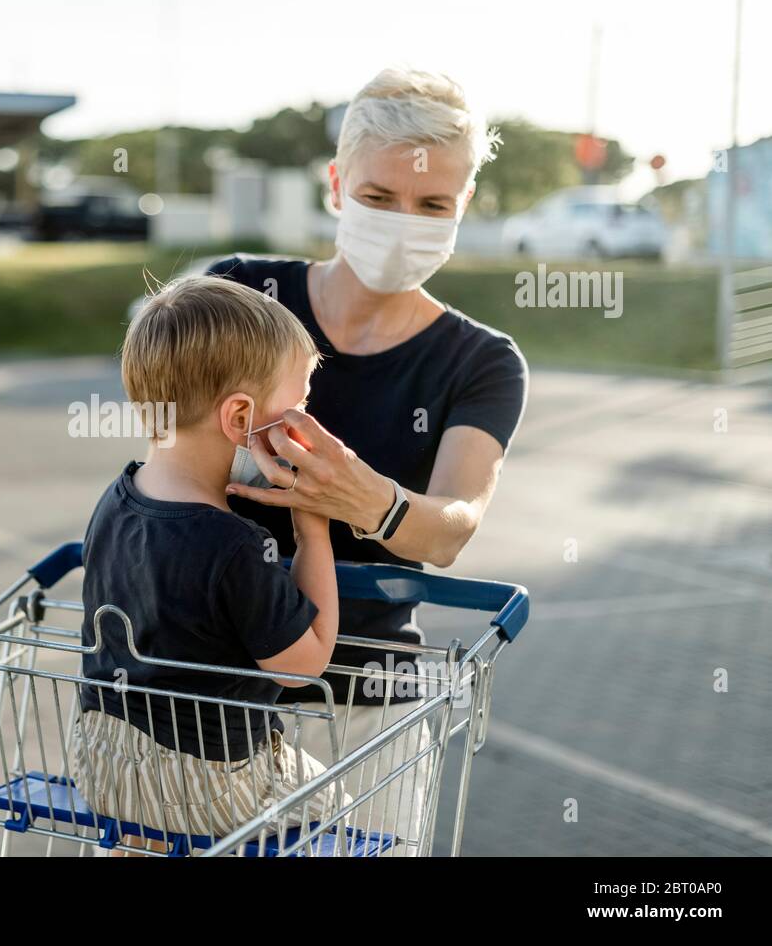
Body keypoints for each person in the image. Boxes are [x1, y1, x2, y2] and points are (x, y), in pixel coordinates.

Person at [213, 68, 529, 854]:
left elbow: (450, 527)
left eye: (433, 206)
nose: (402, 223)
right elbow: (169, 468)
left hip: (369, 703)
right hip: (210, 682)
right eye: (380, 197)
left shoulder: (481, 362)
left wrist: (370, 501)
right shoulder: (241, 295)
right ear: (336, 185)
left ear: (463, 210)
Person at [72, 275, 350, 851]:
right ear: (241, 418)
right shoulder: (233, 545)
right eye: (296, 405)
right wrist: (312, 526)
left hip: (100, 765)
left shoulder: (115, 501)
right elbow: (303, 666)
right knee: (345, 808)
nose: (303, 421)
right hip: (204, 784)